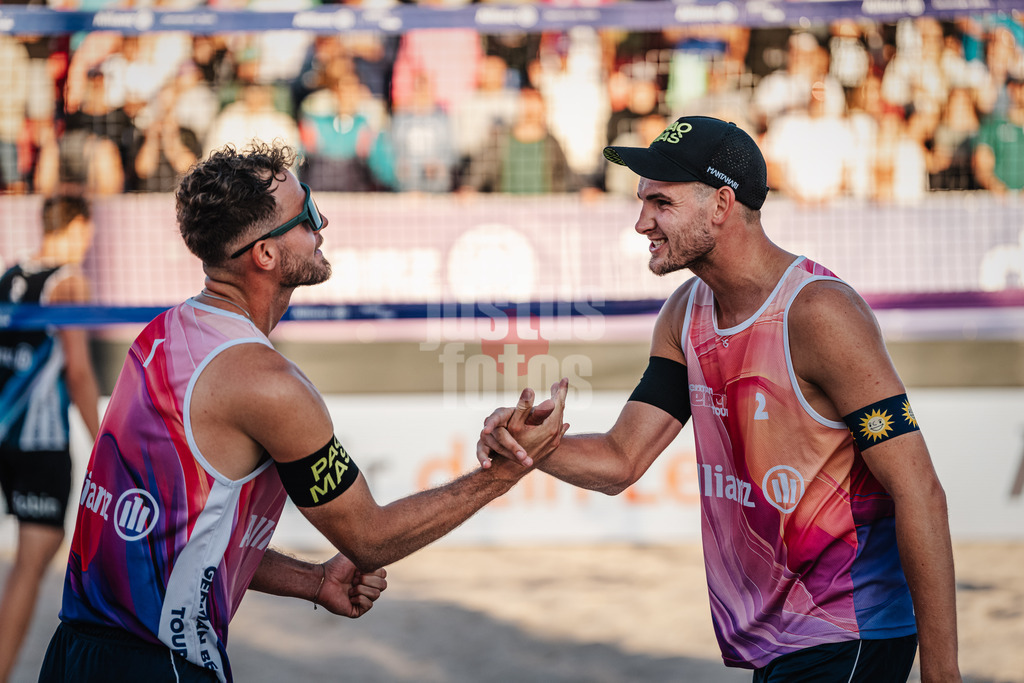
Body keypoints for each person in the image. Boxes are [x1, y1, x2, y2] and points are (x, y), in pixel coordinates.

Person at [39, 142, 568, 683]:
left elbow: (182, 541)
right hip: (158, 666)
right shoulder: (269, 386)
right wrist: (504, 472)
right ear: (265, 255)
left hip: (73, 651)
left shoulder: (162, 336)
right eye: (308, 213)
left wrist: (314, 581)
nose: (323, 223)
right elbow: (370, 538)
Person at [478, 116, 961, 682]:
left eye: (660, 203)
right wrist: (534, 446)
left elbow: (919, 490)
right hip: (777, 641)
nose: (641, 223)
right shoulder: (686, 312)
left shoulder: (819, 314)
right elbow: (621, 460)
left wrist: (943, 673)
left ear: (721, 204)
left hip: (850, 628)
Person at [0, 194, 101, 682]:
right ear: (78, 227)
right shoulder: (69, 281)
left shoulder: (10, 275)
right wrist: (105, 443)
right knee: (31, 560)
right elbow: (79, 372)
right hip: (39, 441)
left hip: (4, 435)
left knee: (39, 548)